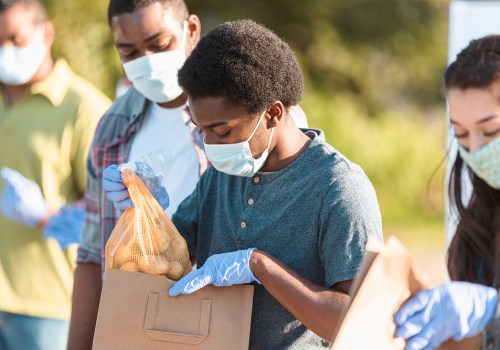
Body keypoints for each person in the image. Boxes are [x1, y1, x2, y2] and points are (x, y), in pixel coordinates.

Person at [104, 19, 383, 348]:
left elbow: (359, 319)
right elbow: (168, 263)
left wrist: (258, 265)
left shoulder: (338, 188)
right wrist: (144, 212)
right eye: (201, 129)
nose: (210, 144)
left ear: (273, 113)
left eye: (222, 132)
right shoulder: (221, 176)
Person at [67, 1, 210, 348]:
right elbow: (91, 252)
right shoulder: (112, 126)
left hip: (209, 317)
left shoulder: (234, 117)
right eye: (129, 52)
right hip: (133, 323)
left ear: (191, 31)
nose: (146, 61)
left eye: (159, 45)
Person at [0, 0, 111, 348]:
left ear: (47, 33)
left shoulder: (85, 108)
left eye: (14, 40)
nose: (5, 51)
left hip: (47, 307)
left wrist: (46, 217)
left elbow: (110, 212)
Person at [394, 35, 500, 350]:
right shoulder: (482, 214)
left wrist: (491, 309)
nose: (476, 149)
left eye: (491, 130)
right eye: (461, 133)